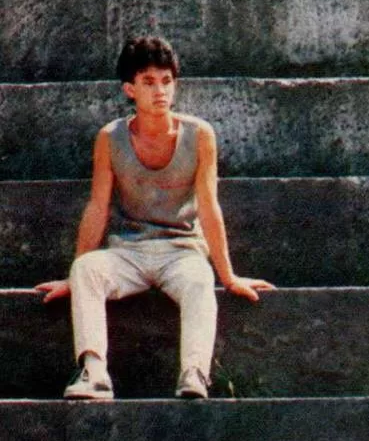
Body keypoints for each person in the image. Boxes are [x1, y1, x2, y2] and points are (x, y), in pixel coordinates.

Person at [35, 36, 274, 399]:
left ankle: (194, 373)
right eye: (148, 82)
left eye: (166, 81)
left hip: (182, 250)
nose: (160, 91)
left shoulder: (199, 135)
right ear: (129, 89)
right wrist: (74, 275)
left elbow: (209, 205)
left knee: (200, 279)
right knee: (86, 270)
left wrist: (228, 276)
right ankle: (93, 372)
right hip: (128, 251)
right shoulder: (110, 138)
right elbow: (97, 206)